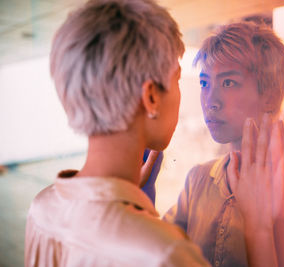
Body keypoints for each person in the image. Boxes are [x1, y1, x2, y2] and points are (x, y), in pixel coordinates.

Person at [24, 0, 210, 266]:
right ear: (151, 97)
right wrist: (259, 227)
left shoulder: (42, 208)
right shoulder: (166, 253)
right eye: (176, 79)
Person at [163, 22, 284, 267]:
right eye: (204, 83)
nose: (210, 101)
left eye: (228, 83)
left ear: (269, 93)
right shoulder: (198, 180)